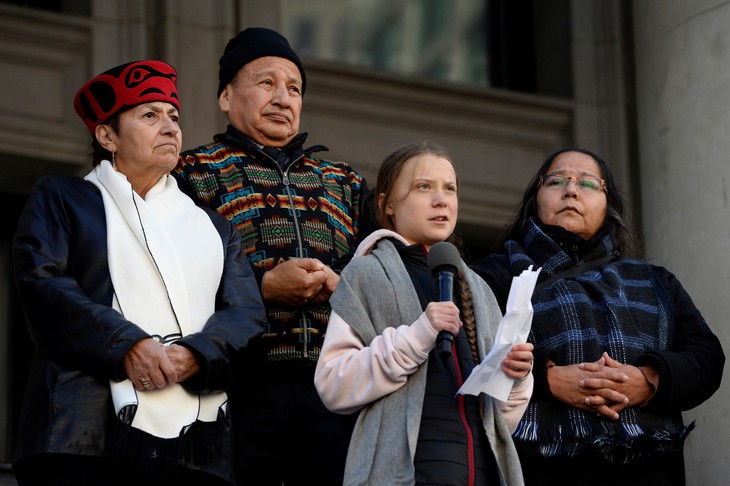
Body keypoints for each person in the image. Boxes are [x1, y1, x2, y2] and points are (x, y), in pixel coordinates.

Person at [11, 60, 267, 486]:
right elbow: (43, 286)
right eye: (149, 115)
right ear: (106, 134)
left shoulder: (215, 228)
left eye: (173, 117)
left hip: (192, 453)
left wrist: (196, 355)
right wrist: (128, 345)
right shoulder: (63, 198)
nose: (169, 127)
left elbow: (247, 315)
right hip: (81, 436)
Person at [172, 27, 369, 485]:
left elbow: (380, 272)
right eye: (266, 82)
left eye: (294, 88)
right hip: (237, 385)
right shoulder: (192, 172)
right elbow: (172, 273)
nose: (283, 97)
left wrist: (342, 283)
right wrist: (261, 286)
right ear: (226, 96)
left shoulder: (344, 181)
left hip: (332, 389)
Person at [470, 147, 725, 485]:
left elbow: (707, 359)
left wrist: (649, 380)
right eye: (556, 181)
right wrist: (545, 380)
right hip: (537, 469)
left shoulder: (655, 281)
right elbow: (468, 356)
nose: (571, 190)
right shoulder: (492, 276)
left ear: (609, 204)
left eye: (588, 184)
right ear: (536, 197)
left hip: (646, 470)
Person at [313, 141, 534, 486]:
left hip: (481, 471)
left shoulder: (478, 289)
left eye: (450, 189)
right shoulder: (365, 274)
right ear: (387, 206)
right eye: (423, 187)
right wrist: (418, 336)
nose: (441, 199)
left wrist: (515, 377)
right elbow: (333, 385)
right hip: (408, 473)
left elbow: (500, 421)